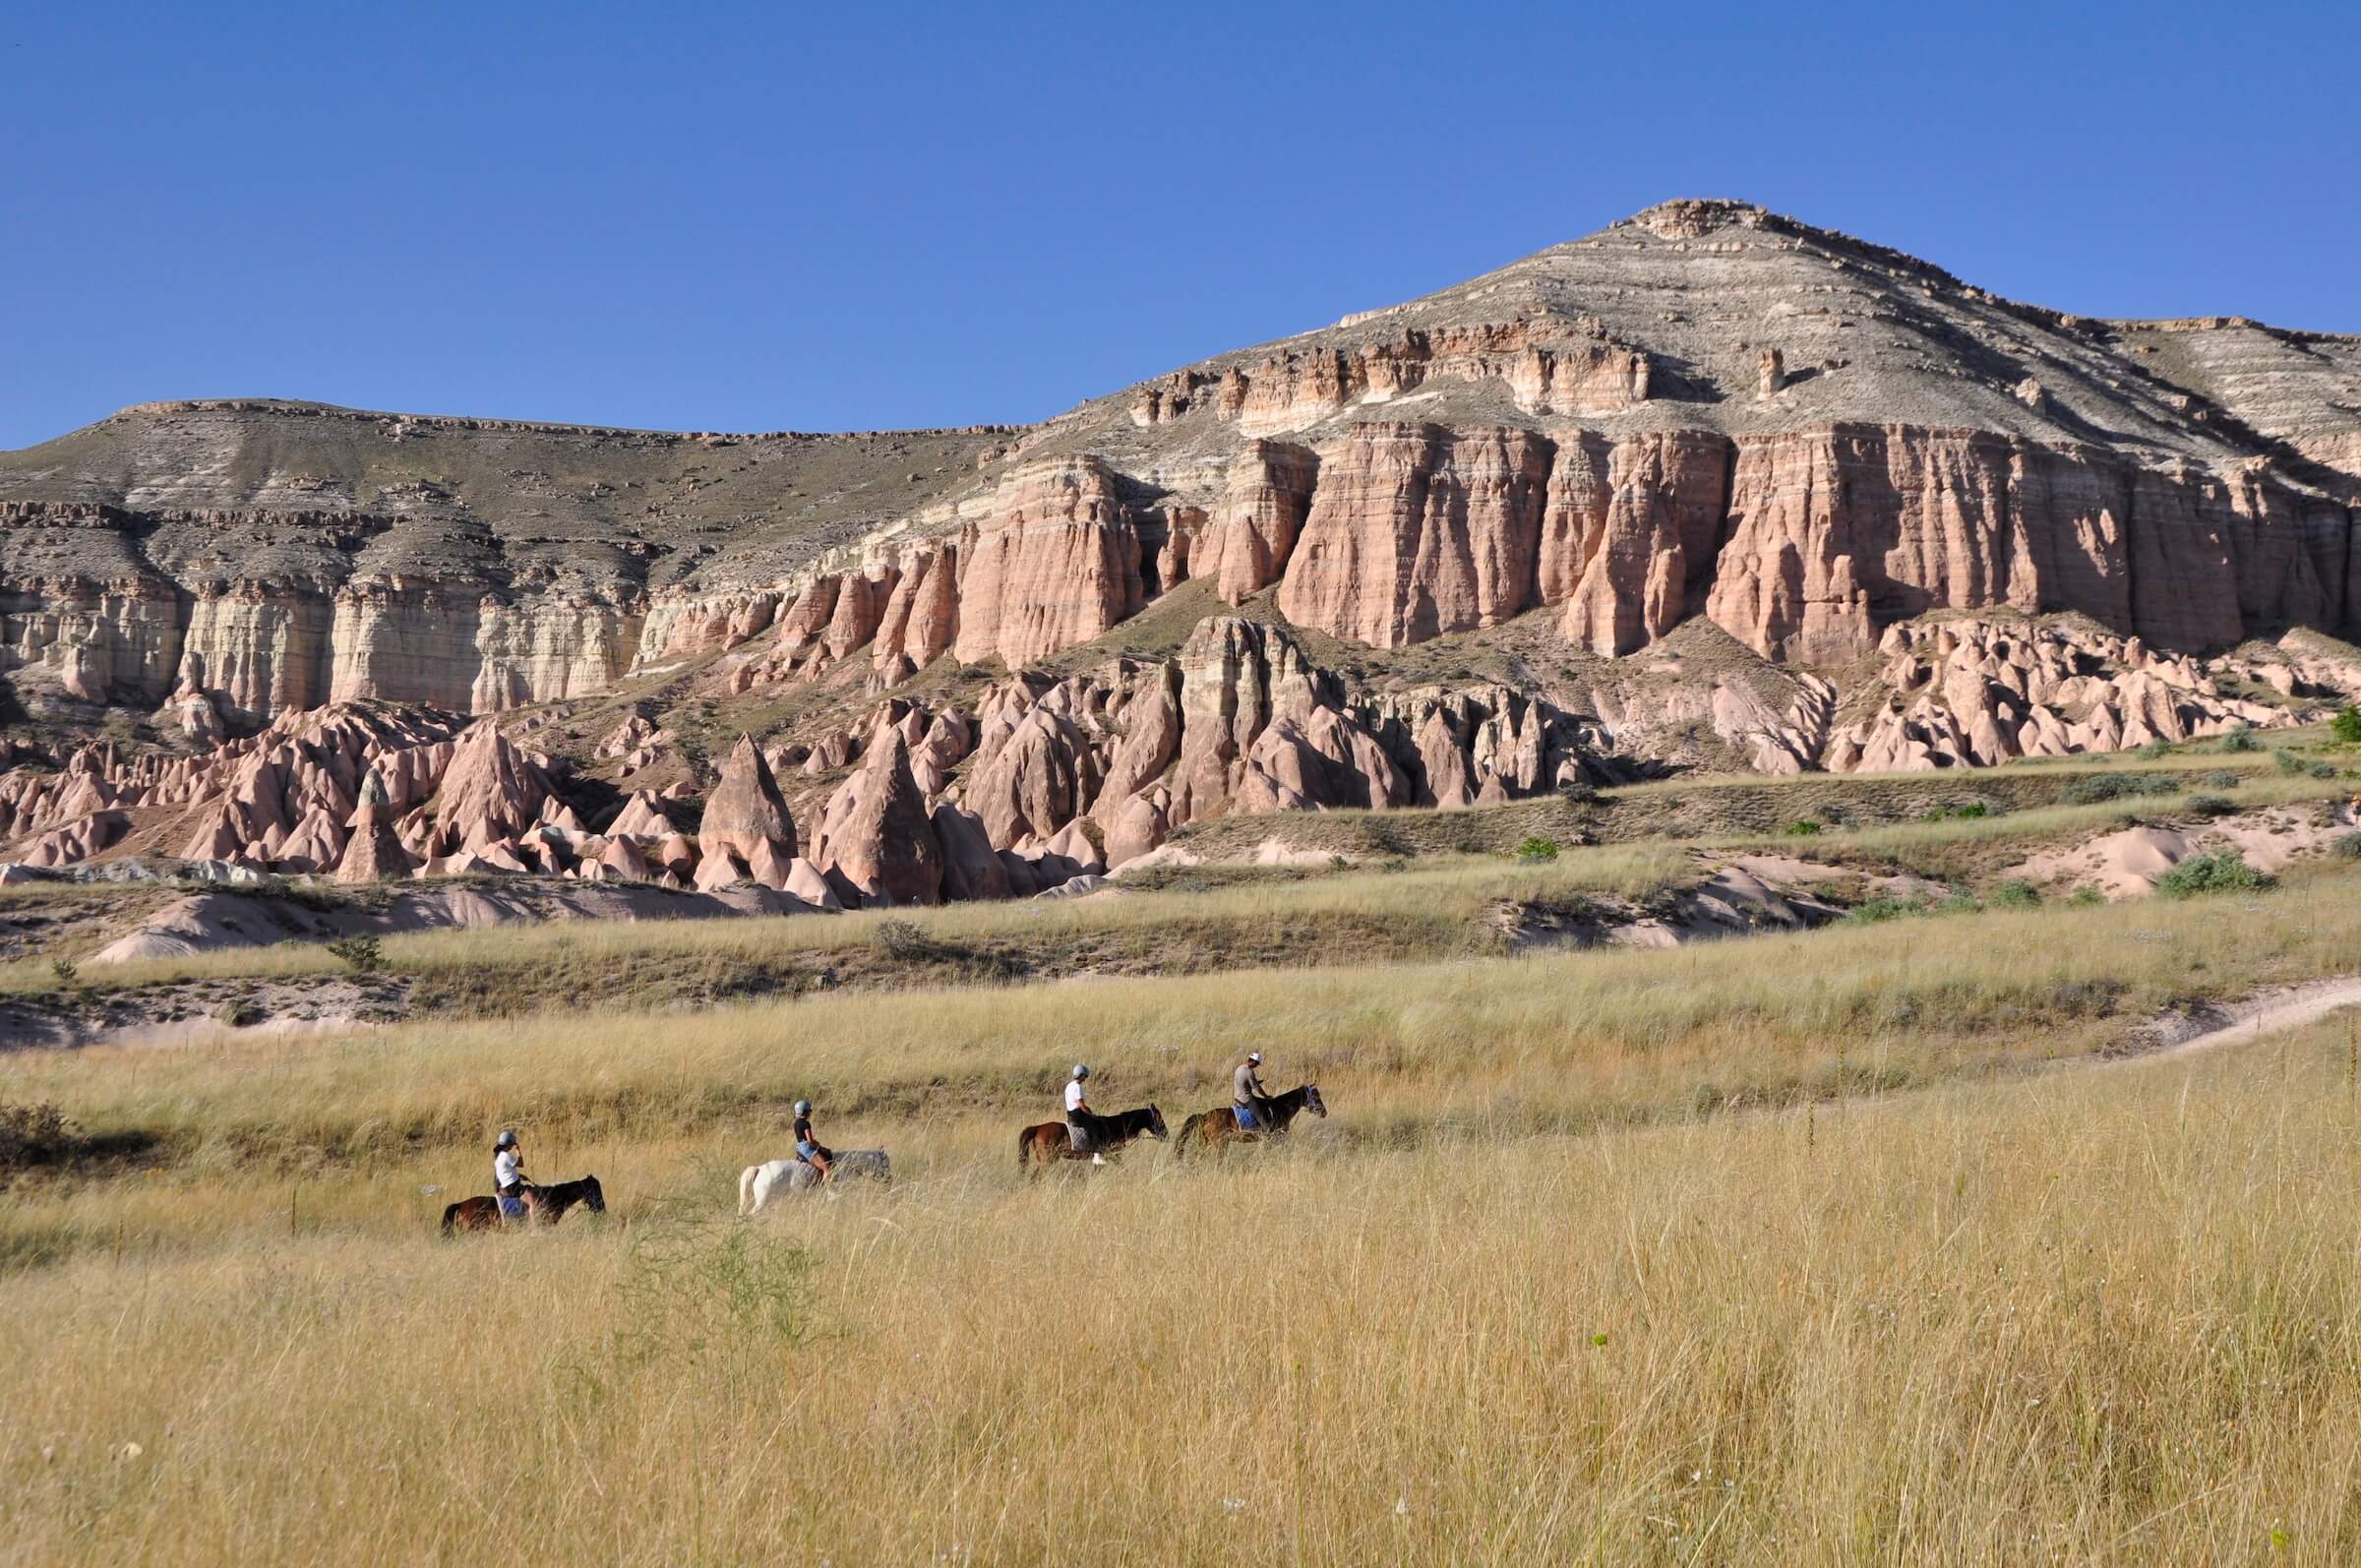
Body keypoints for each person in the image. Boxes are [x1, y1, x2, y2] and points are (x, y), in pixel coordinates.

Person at [1065, 1063, 1105, 1166]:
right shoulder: (1077, 1087)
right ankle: (1096, 1155)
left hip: (1069, 1114)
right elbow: (1081, 1105)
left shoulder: (1069, 1085)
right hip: (1078, 1114)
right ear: (1081, 1075)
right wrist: (1091, 1115)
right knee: (1096, 1127)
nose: (1086, 1078)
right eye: (1085, 1076)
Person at [493, 1129, 530, 1223]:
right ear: (509, 1144)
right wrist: (518, 1150)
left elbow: (505, 1172)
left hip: (506, 1185)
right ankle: (534, 1226)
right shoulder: (506, 1155)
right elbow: (521, 1164)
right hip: (513, 1186)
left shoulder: (498, 1156)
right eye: (512, 1144)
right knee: (533, 1200)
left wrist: (519, 1175)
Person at [792, 1099, 833, 1182]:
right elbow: (810, 1141)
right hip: (806, 1148)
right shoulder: (806, 1123)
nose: (810, 1113)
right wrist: (818, 1145)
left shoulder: (796, 1123)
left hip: (799, 1147)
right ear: (804, 1112)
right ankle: (828, 1190)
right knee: (827, 1168)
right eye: (809, 1111)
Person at [1233, 1051, 1273, 1131]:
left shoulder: (1239, 1068)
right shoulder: (1249, 1072)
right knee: (1260, 1113)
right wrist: (1266, 1096)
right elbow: (1257, 1088)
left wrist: (1255, 1081)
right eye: (1257, 1063)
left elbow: (1243, 1081)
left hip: (1237, 1096)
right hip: (1246, 1099)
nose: (1257, 1066)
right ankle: (1267, 1129)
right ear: (1253, 1061)